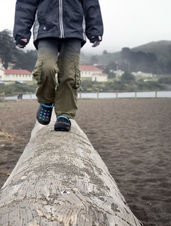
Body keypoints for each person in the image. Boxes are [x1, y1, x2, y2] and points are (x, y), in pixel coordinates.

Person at [13, 0, 103, 131]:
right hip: (45, 30)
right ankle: (46, 102)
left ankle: (64, 114)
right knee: (45, 68)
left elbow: (91, 4)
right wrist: (21, 32)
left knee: (69, 74)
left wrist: (95, 30)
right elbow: (26, 4)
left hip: (74, 31)